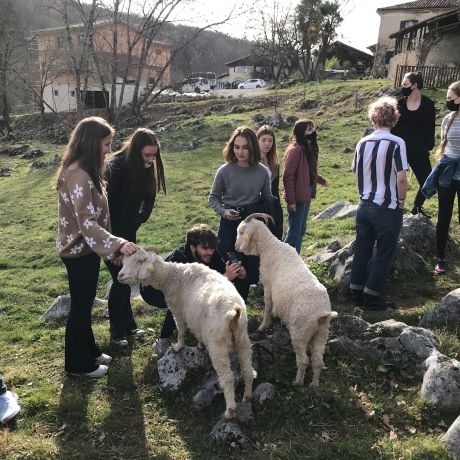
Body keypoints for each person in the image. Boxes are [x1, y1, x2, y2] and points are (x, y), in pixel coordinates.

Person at [56, 117, 138, 378]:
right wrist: (119, 244)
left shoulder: (86, 170)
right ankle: (77, 365)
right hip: (77, 251)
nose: (108, 149)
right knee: (80, 307)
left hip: (88, 249)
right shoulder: (78, 174)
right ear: (92, 143)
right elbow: (87, 223)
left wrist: (111, 249)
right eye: (106, 144)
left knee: (86, 302)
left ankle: (89, 351)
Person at [139, 224, 247, 355]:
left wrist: (237, 275)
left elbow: (219, 273)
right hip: (153, 292)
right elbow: (187, 291)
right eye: (205, 248)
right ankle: (163, 339)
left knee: (236, 283)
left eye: (212, 248)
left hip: (186, 290)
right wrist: (225, 277)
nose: (210, 252)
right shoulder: (179, 259)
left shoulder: (211, 254)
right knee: (180, 302)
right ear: (192, 247)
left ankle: (234, 324)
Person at [105, 128, 166, 346]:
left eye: (153, 156)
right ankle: (117, 331)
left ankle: (128, 325)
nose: (151, 160)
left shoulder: (145, 166)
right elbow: (108, 209)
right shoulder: (116, 167)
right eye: (147, 155)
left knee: (126, 278)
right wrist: (115, 246)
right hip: (110, 234)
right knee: (120, 279)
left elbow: (149, 196)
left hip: (129, 231)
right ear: (136, 149)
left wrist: (141, 217)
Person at [350, 97, 408, 310]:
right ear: (394, 119)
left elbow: (356, 172)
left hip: (364, 204)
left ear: (373, 118)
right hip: (387, 206)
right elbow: (401, 177)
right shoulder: (397, 143)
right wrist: (401, 201)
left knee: (362, 249)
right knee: (384, 253)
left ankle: (355, 289)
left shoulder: (362, 142)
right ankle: (372, 296)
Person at [209, 126, 272, 298]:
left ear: (252, 147)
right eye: (236, 147)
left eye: (245, 147)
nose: (240, 151)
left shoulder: (262, 172)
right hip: (229, 224)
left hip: (251, 225)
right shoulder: (224, 171)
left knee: (247, 268)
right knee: (228, 265)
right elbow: (213, 198)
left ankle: (241, 311)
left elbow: (268, 198)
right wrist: (223, 211)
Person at [421, 81, 460, 275]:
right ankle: (440, 258)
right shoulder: (447, 119)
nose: (448, 101)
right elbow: (443, 144)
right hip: (448, 171)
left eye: (451, 98)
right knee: (444, 216)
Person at [391, 71, 436, 218]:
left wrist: (426, 146)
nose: (402, 87)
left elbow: (430, 127)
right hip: (398, 148)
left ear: (415, 85)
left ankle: (417, 206)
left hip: (417, 148)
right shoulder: (399, 103)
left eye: (405, 84)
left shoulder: (428, 104)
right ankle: (392, 207)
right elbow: (391, 126)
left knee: (428, 180)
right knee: (392, 180)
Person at [283, 119, 328, 253]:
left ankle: (295, 259)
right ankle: (287, 261)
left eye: (313, 128)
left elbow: (307, 171)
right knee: (294, 232)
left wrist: (320, 180)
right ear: (301, 132)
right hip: (297, 196)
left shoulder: (307, 148)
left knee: (301, 229)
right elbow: (288, 176)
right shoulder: (295, 150)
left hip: (306, 193)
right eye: (309, 129)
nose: (313, 131)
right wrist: (291, 201)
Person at [257, 125, 284, 239]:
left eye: (270, 140)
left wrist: (277, 211)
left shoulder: (274, 164)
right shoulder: (253, 162)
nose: (267, 143)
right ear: (257, 141)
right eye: (263, 140)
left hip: (273, 207)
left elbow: (275, 190)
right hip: (258, 206)